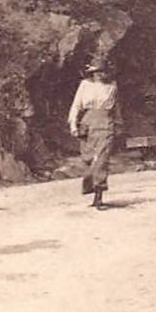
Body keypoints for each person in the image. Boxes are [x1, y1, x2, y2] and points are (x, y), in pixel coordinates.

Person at [66, 60, 119, 209]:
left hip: (105, 123)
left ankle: (99, 195)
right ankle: (91, 188)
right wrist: (73, 124)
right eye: (97, 72)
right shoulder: (85, 85)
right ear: (92, 73)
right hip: (87, 123)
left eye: (103, 71)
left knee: (101, 159)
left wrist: (118, 125)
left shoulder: (112, 86)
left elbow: (116, 108)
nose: (101, 74)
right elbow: (76, 105)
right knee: (89, 159)